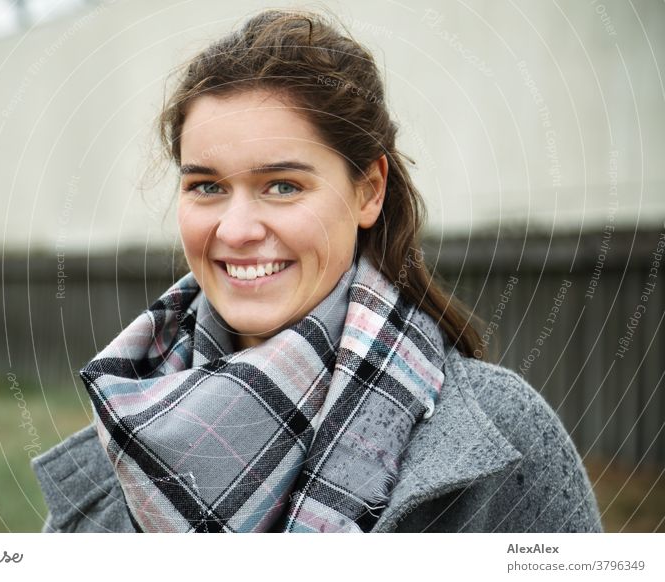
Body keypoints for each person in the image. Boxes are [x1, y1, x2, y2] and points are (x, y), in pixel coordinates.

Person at [32, 9, 602, 533]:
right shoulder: (127, 426)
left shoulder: (508, 438)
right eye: (207, 186)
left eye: (282, 186)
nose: (235, 230)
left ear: (368, 191)